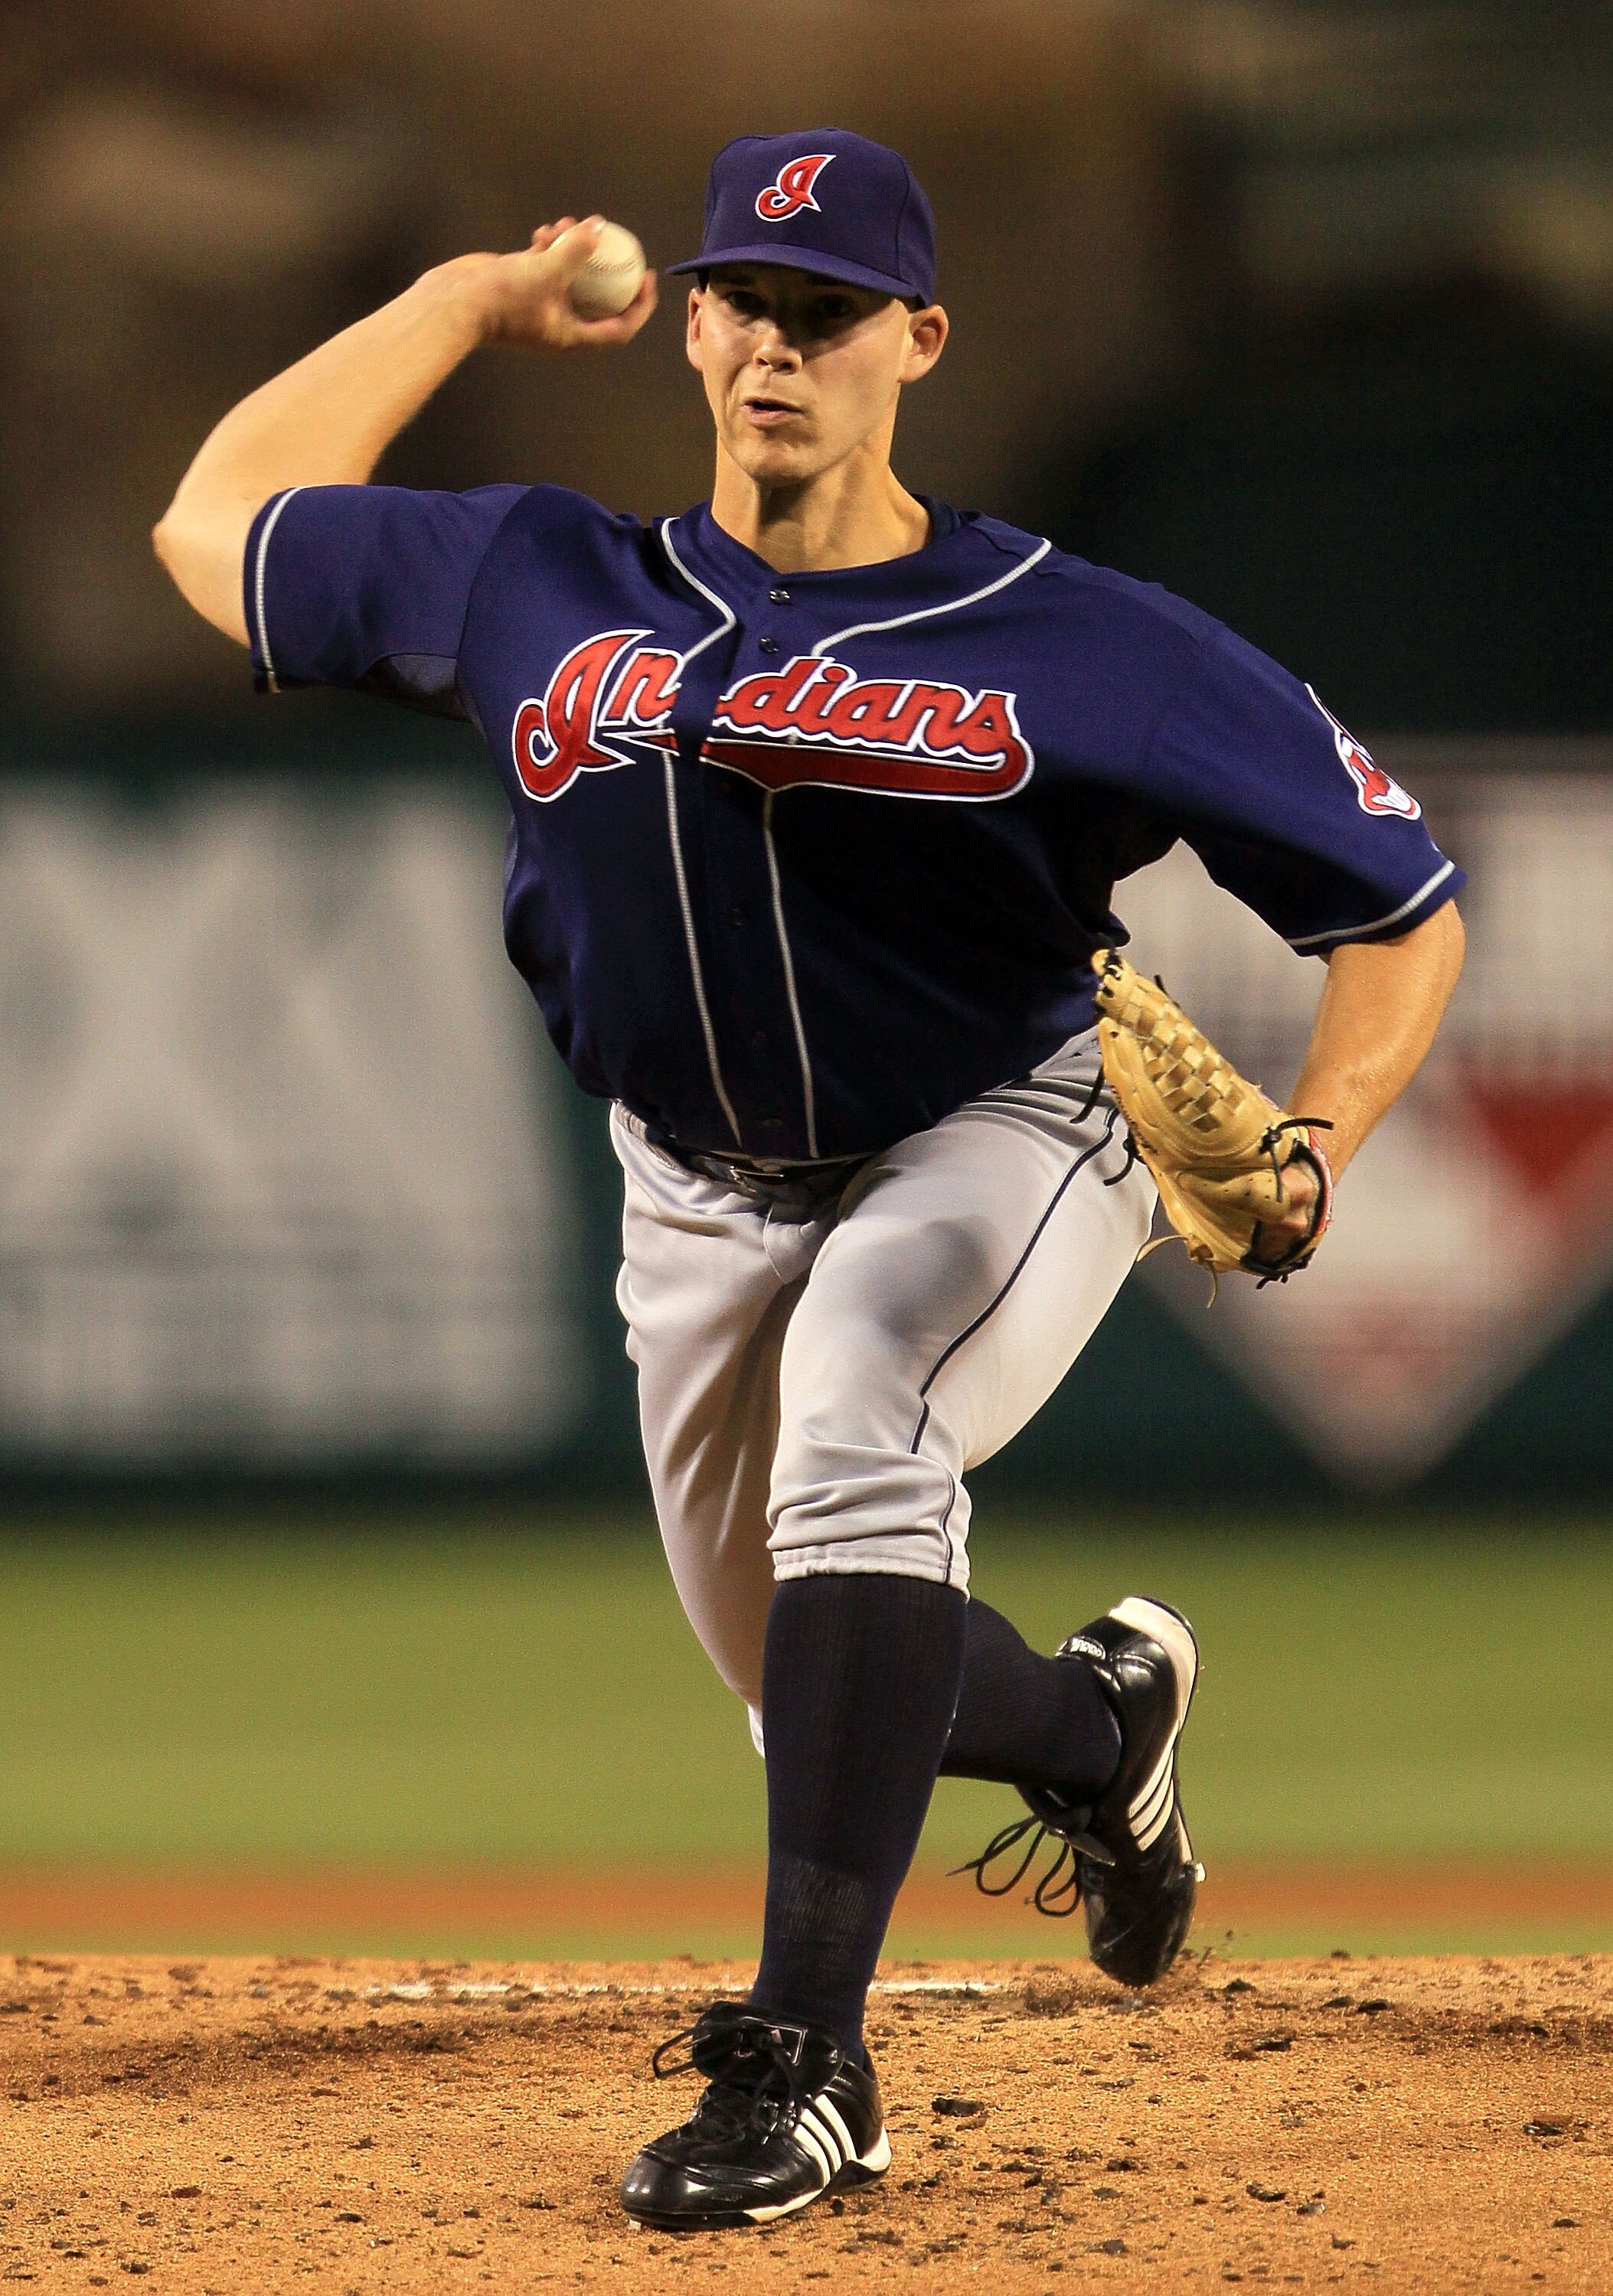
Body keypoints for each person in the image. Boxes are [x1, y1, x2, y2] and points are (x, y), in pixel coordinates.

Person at [153, 128, 1465, 2232]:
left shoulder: (1082, 634)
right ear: (688, 324)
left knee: (864, 1425)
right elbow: (210, 524)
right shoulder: (533, 574)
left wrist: (1322, 1132)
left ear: (914, 342)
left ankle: (802, 2073)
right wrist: (470, 303)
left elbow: (1396, 906)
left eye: (829, 311)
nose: (780, 343)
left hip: (1002, 1122)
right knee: (814, 1683)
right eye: (746, 302)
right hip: (688, 1186)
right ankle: (1090, 1727)